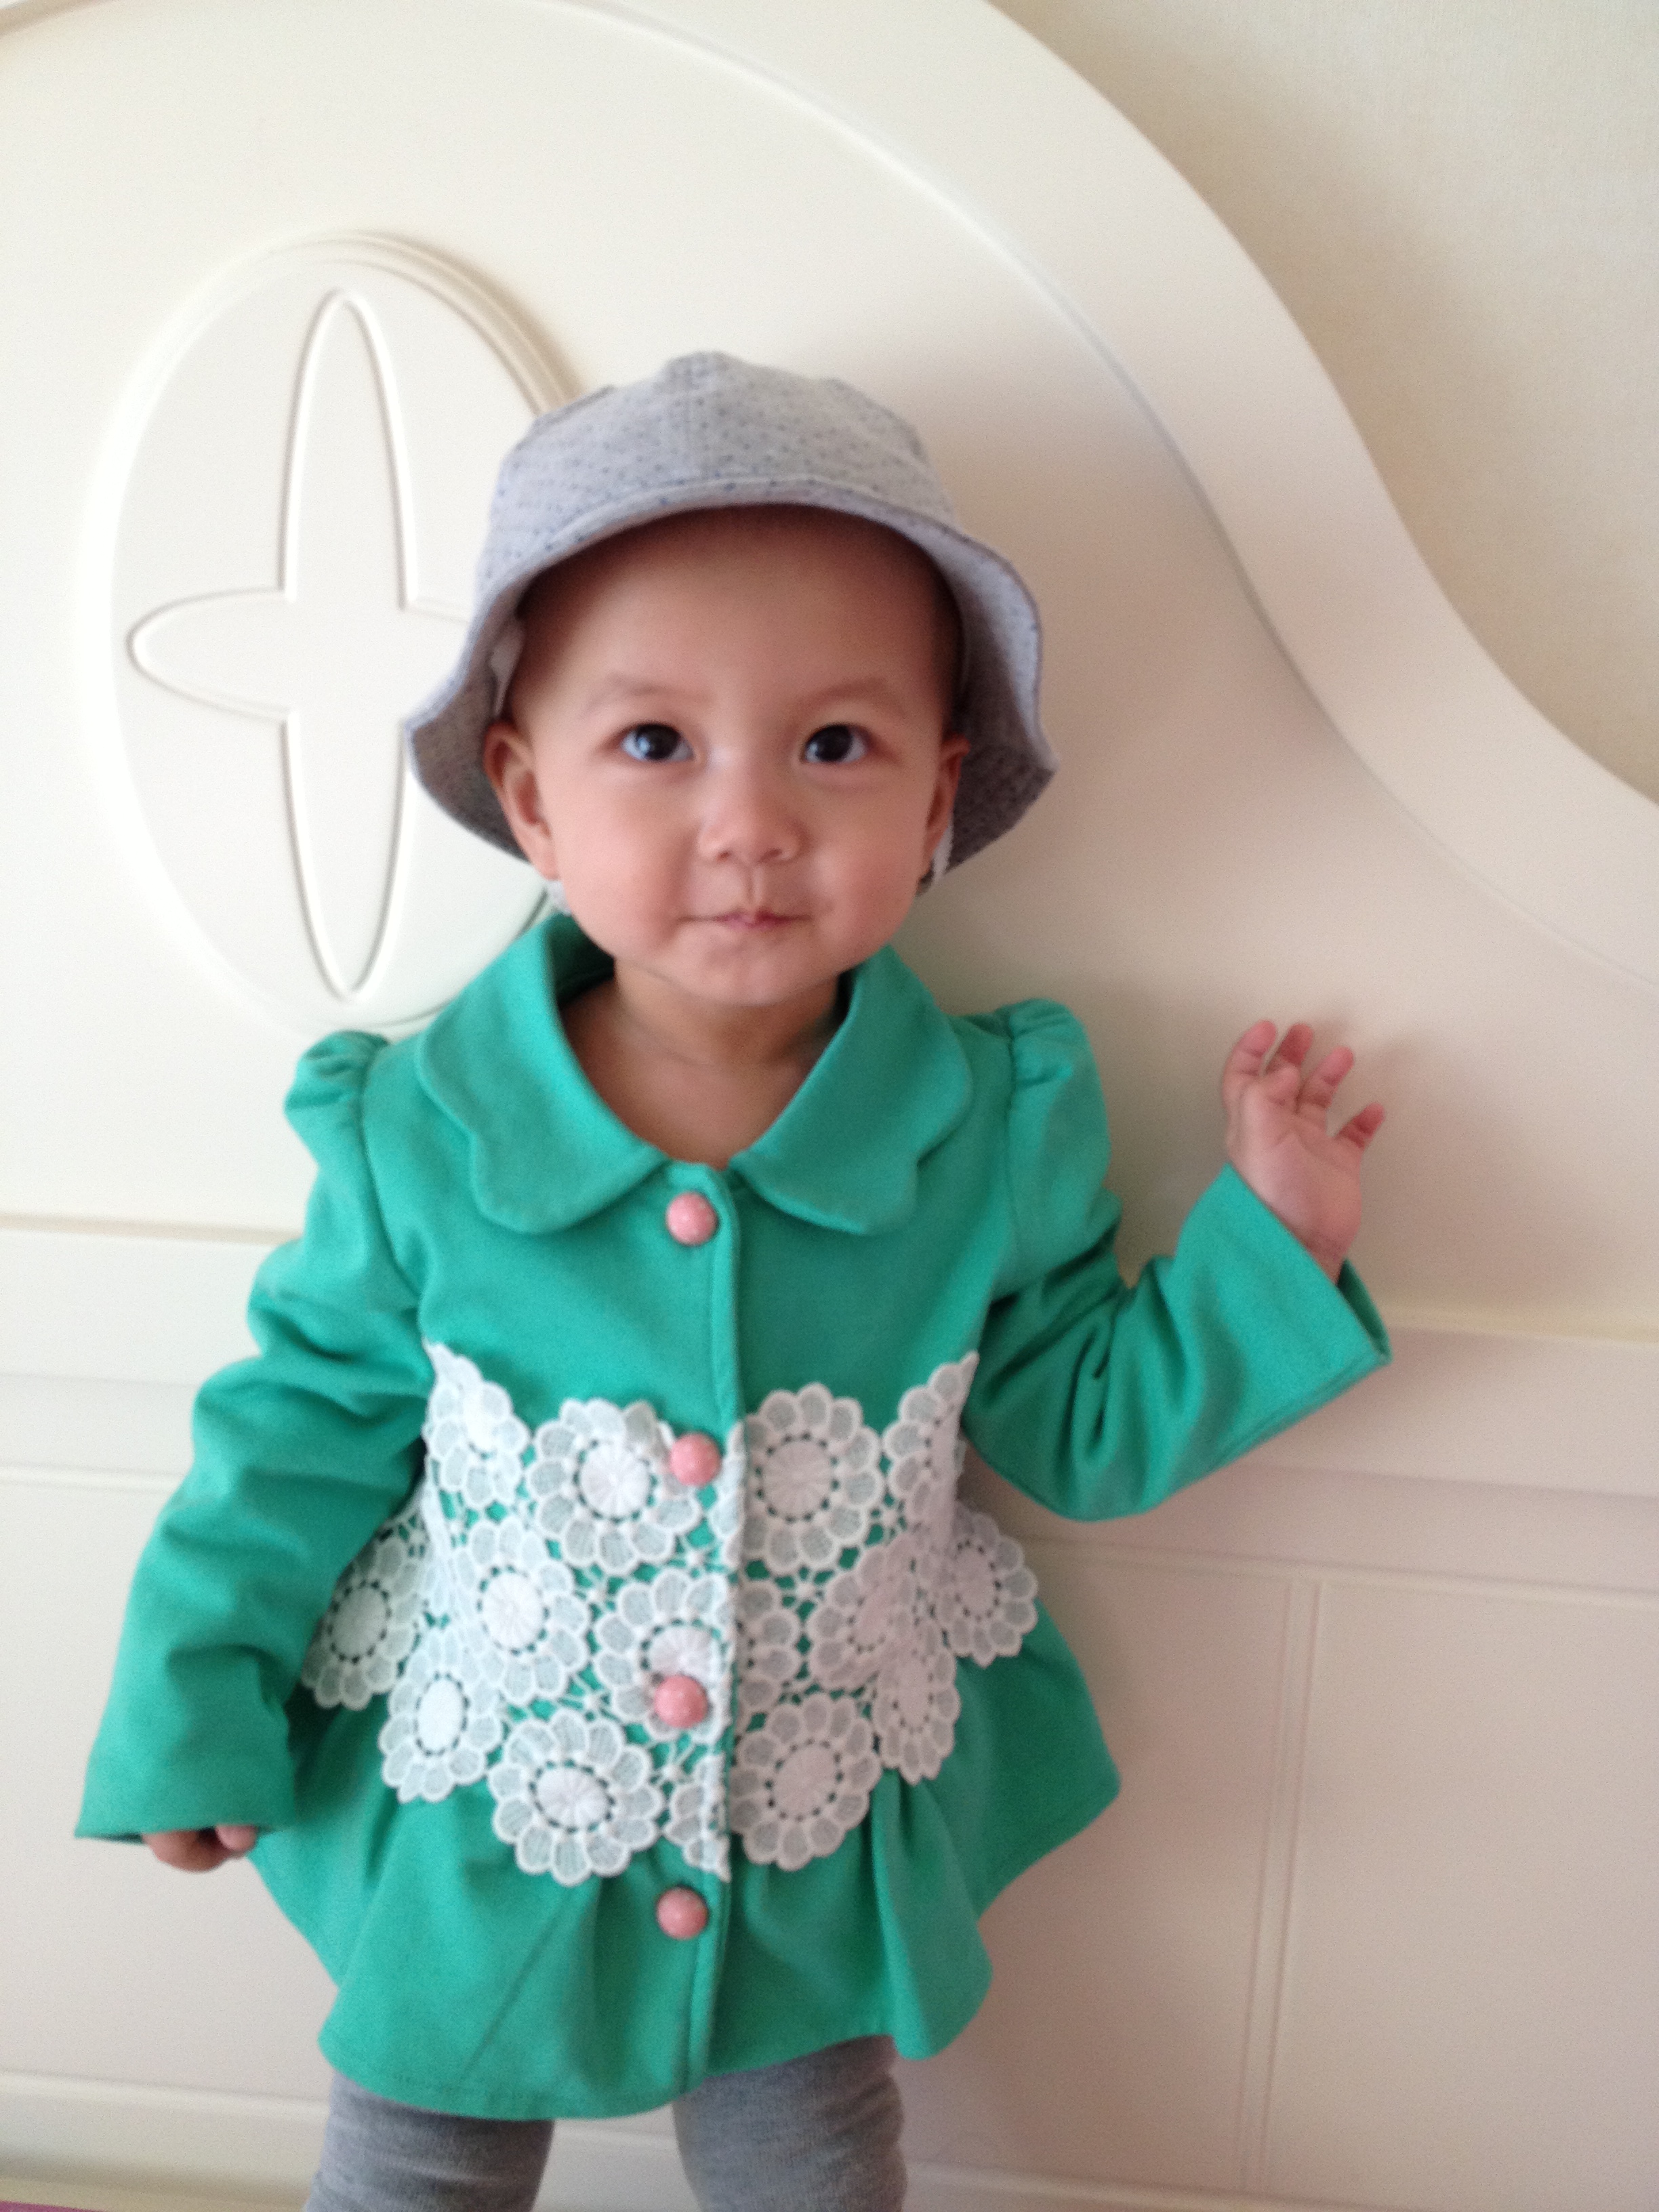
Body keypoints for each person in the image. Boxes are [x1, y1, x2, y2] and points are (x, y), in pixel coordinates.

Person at [79, 352, 1388, 2211]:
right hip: (493, 1812)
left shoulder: (988, 1127)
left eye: (833, 746)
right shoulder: (421, 1135)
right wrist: (189, 1701)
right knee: (416, 2159)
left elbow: (1079, 1425)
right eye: (655, 745)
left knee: (817, 2169)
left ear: (939, 802)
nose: (751, 822)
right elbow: (290, 1438)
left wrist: (1277, 1244)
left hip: (809, 1825)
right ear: (529, 799)